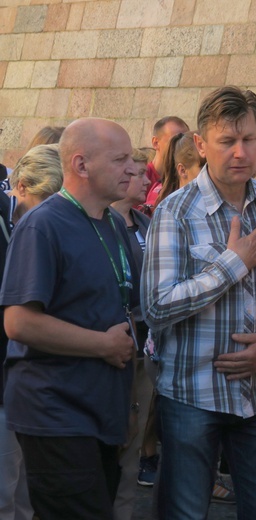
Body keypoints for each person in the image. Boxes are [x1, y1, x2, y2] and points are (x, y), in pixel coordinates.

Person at [141, 86, 256, 520]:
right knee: (185, 513)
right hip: (193, 396)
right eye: (228, 141)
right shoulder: (175, 211)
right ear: (200, 145)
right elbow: (155, 307)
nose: (241, 152)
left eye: (249, 138)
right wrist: (234, 263)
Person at [0, 118, 139, 519]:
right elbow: (19, 323)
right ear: (81, 165)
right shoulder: (42, 225)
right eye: (120, 159)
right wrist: (103, 345)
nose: (134, 169)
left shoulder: (113, 222)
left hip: (100, 412)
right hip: (56, 412)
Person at [0, 143, 62, 520]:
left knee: (25, 498)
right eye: (47, 201)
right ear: (21, 187)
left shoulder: (40, 228)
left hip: (30, 386)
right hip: (6, 385)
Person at [110, 149, 154, 520]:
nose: (143, 180)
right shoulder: (101, 221)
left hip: (144, 343)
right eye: (138, 174)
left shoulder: (145, 223)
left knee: (132, 446)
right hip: (113, 344)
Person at [143, 116, 189, 201]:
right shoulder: (142, 177)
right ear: (156, 143)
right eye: (175, 141)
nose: (181, 147)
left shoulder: (186, 177)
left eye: (184, 142)